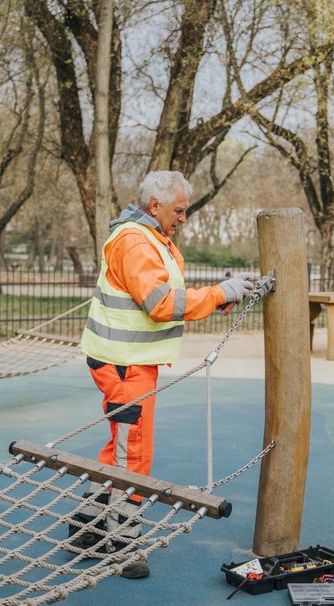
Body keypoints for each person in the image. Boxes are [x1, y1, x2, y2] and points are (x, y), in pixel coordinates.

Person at [73, 170, 255, 578]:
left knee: (119, 445)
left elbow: (164, 295)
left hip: (123, 359)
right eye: (179, 210)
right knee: (133, 453)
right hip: (125, 363)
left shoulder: (147, 237)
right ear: (154, 205)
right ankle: (122, 545)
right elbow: (159, 303)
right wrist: (220, 294)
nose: (184, 218)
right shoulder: (137, 240)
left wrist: (222, 297)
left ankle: (86, 525)